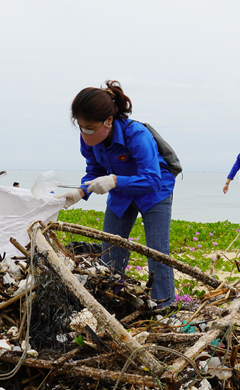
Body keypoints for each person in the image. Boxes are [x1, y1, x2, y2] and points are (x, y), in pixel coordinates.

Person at [57, 81, 176, 306]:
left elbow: (152, 178)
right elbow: (94, 170)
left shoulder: (137, 135)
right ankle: (112, 301)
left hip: (154, 191)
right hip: (120, 191)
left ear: (108, 121)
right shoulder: (89, 141)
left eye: (90, 128)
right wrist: (80, 192)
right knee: (110, 249)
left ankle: (164, 307)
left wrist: (114, 180)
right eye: (81, 127)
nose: (85, 133)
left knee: (157, 252)